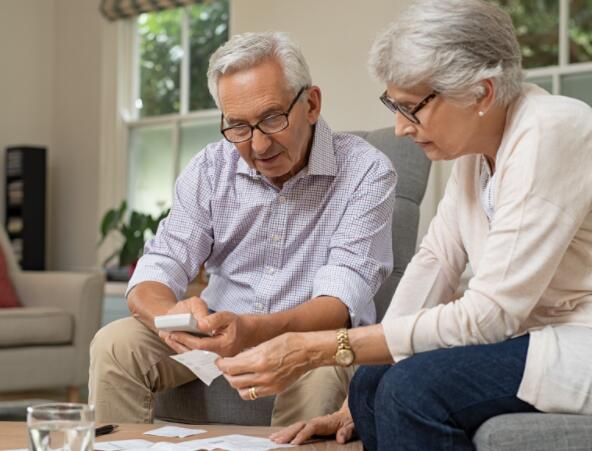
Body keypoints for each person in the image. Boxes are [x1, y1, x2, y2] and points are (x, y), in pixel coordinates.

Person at [216, 1, 592, 449]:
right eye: (393, 105)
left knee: (411, 391)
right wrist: (355, 396)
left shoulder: (553, 131)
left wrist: (317, 347)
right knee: (371, 383)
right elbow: (435, 261)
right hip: (528, 339)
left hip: (586, 340)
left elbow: (490, 316)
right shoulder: (477, 153)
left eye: (411, 107)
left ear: (483, 93)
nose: (400, 127)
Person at [88, 31, 397, 426]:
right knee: (115, 344)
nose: (259, 145)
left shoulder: (366, 172)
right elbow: (161, 262)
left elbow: (338, 303)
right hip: (215, 335)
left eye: (272, 118)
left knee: (323, 369)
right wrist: (171, 315)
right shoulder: (210, 168)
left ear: (312, 104)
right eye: (238, 127)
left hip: (311, 342)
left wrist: (251, 331)